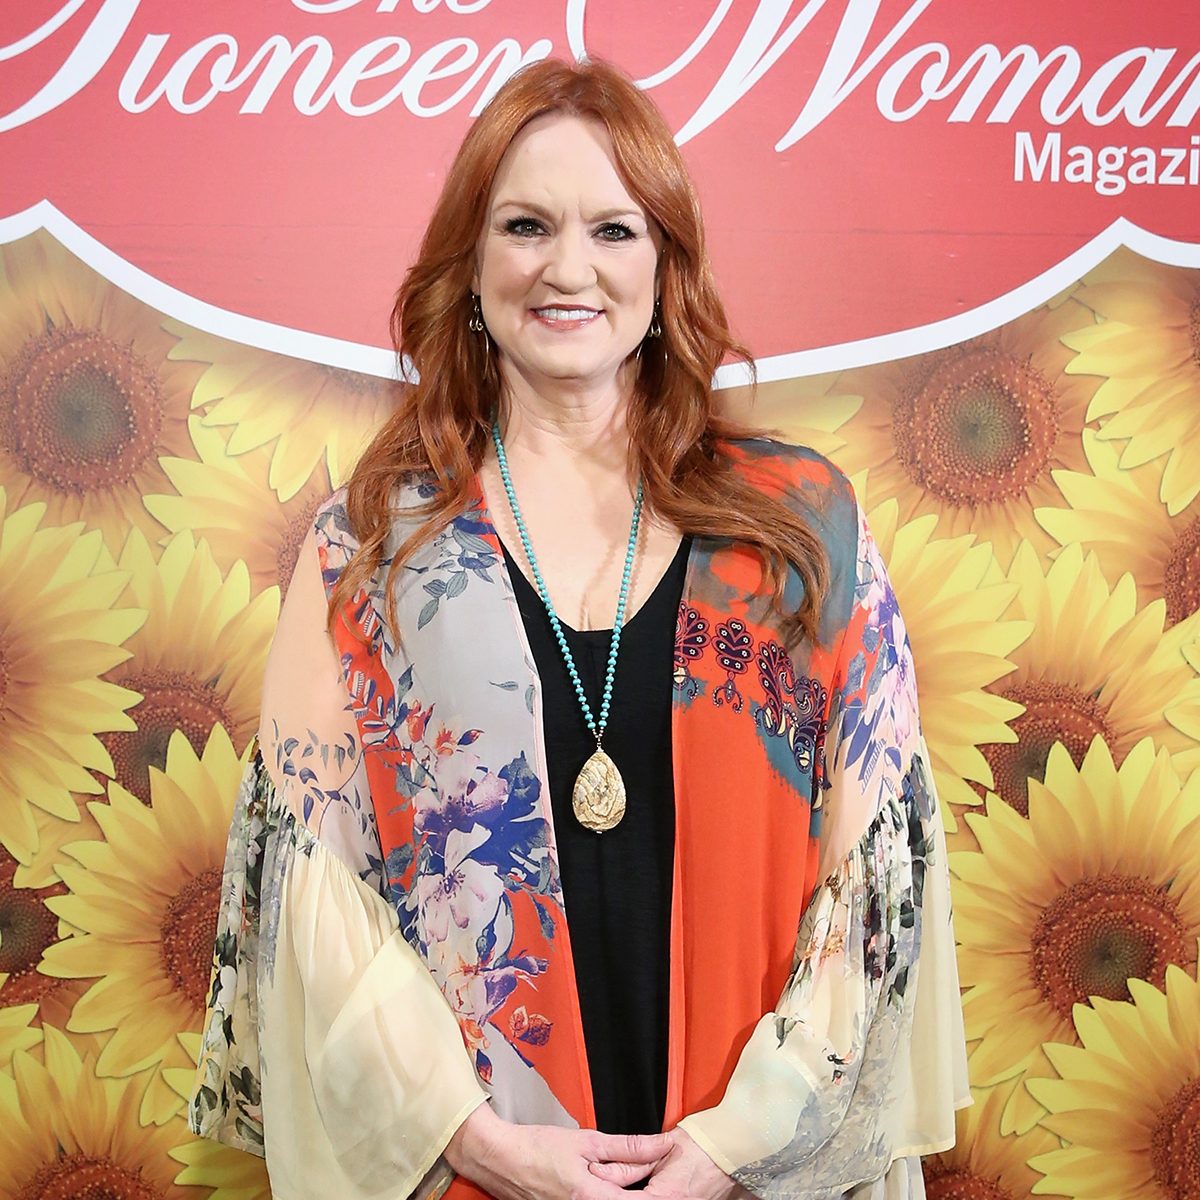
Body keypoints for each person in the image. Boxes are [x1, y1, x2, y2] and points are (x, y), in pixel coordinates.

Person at [189, 57, 968, 1200]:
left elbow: (875, 890)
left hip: (747, 1171)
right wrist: (480, 1142)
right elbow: (316, 917)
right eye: (525, 226)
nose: (568, 269)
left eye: (613, 230)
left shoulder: (803, 532)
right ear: (470, 266)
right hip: (481, 1173)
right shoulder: (369, 552)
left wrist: (734, 1146)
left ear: (665, 268)